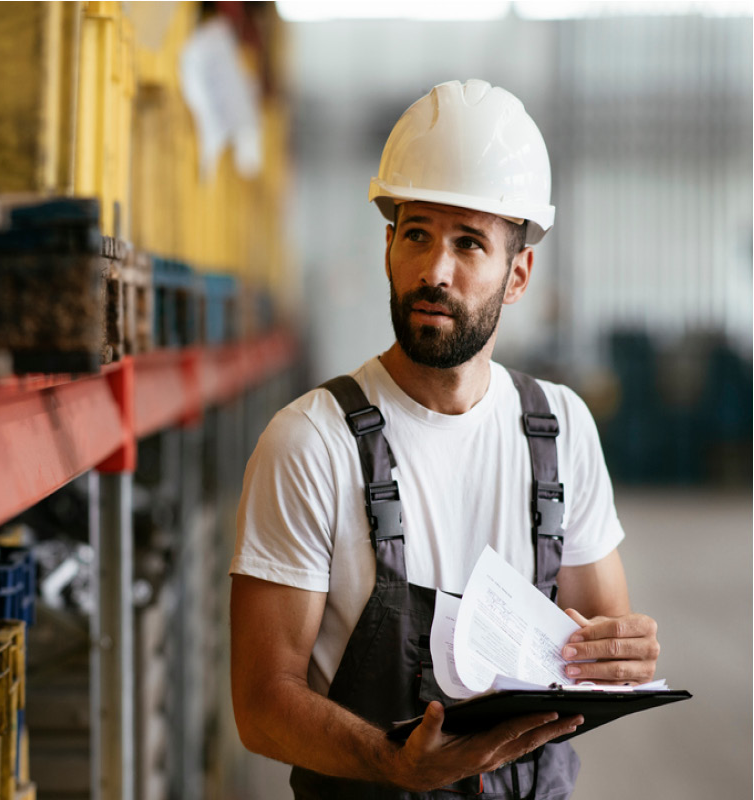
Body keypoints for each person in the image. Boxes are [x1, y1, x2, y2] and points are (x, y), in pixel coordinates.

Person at [228, 79, 661, 799]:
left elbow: (602, 634)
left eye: (469, 243)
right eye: (417, 233)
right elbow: (260, 706)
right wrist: (393, 763)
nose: (435, 270)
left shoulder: (559, 431)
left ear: (517, 274)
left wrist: (621, 655)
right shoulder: (310, 443)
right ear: (389, 244)